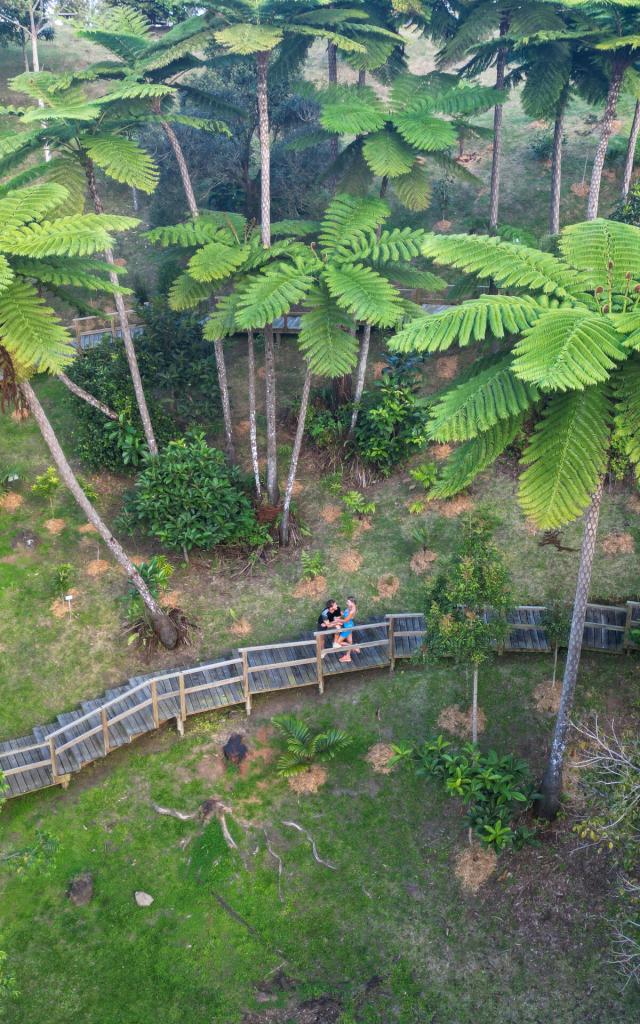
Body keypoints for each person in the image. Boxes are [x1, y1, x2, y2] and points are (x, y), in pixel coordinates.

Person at [338, 596, 360, 663]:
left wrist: (337, 620)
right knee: (350, 641)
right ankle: (348, 657)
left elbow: (346, 620)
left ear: (352, 602)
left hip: (348, 627)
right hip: (349, 626)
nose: (346, 603)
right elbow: (345, 615)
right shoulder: (350, 607)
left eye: (348, 602)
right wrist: (338, 611)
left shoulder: (352, 610)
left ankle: (354, 647)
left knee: (338, 643)